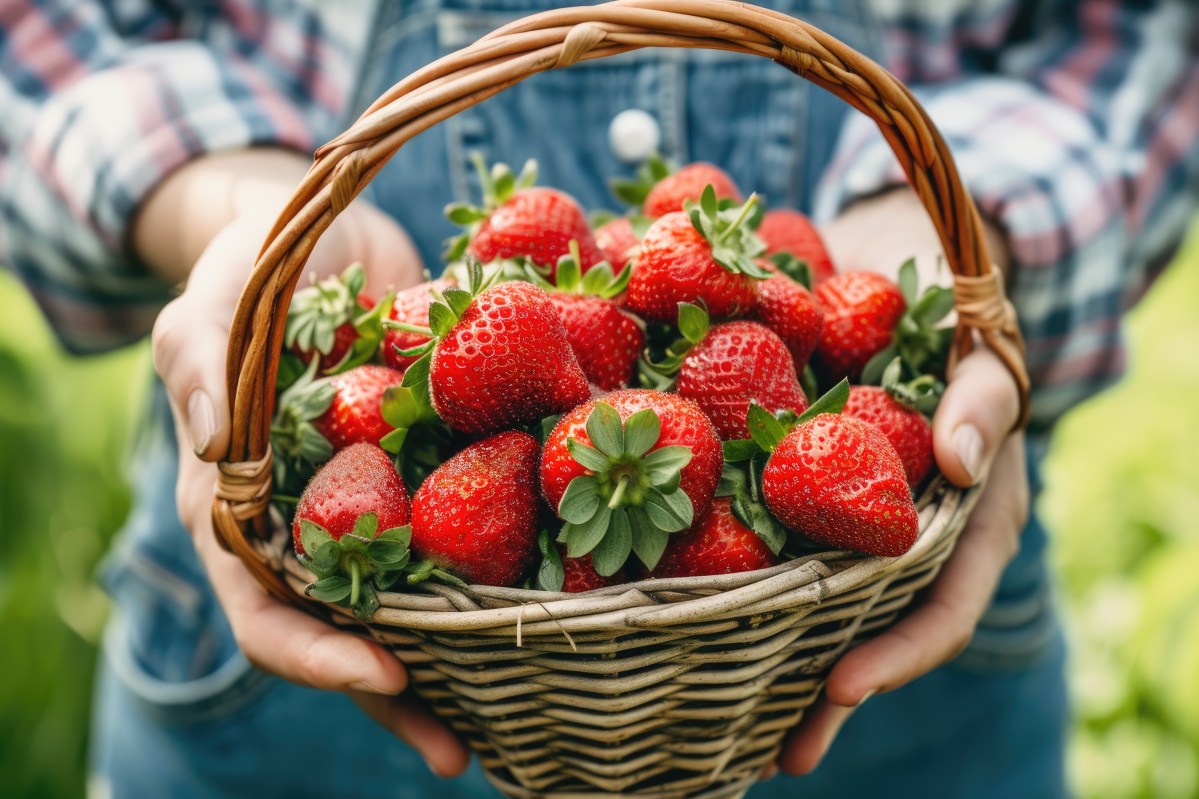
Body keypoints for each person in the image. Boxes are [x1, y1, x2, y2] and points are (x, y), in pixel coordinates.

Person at [2, 1, 1196, 797]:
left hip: (889, 653)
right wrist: (246, 215)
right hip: (302, 668)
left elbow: (1132, 39)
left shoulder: (700, 370)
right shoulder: (525, 400)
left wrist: (947, 230)